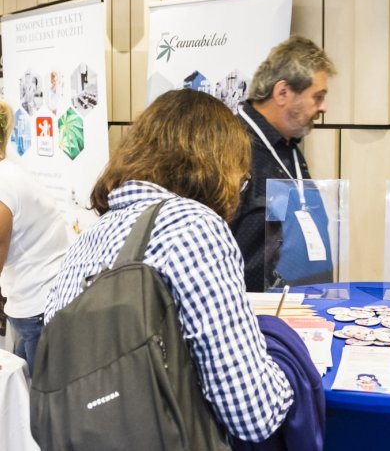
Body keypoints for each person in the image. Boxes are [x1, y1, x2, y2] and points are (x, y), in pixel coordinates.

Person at [44, 89, 294, 443]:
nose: (239, 191)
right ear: (217, 167)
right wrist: (292, 365)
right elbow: (254, 414)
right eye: (242, 179)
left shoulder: (89, 239)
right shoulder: (195, 227)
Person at [232, 35, 337, 292]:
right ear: (282, 93)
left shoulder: (289, 146)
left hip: (308, 310)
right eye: (317, 96)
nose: (323, 108)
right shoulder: (233, 147)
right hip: (259, 315)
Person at [0, 99, 70, 374]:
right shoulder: (9, 174)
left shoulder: (4, 184)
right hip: (28, 301)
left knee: (40, 398)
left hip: (40, 303)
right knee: (20, 392)